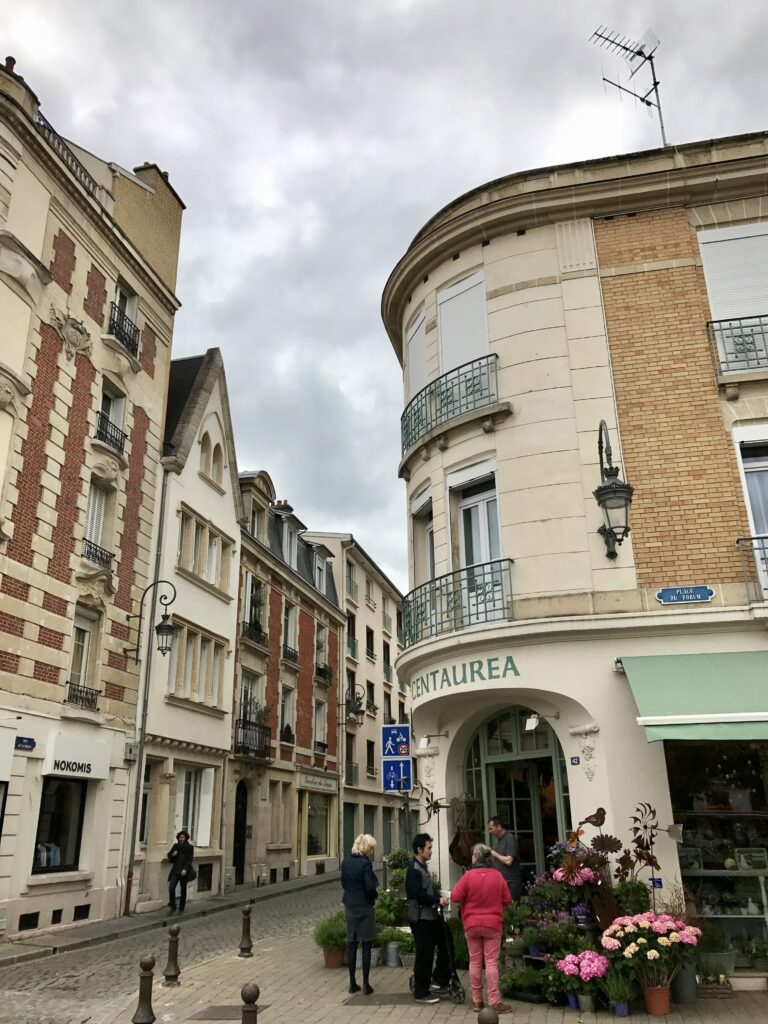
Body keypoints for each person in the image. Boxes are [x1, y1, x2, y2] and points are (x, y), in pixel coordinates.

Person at [451, 842, 512, 1013]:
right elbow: (507, 900)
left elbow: (455, 897)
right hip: (493, 926)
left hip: (471, 925)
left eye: (472, 855)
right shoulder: (498, 876)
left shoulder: (468, 876)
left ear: (476, 857)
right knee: (491, 962)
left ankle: (477, 1001)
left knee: (475, 961)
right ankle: (494, 1001)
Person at [405, 832, 451, 1005]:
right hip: (420, 918)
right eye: (429, 848)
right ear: (419, 849)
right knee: (425, 954)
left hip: (430, 915)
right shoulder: (414, 870)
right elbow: (416, 895)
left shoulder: (422, 866)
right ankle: (421, 991)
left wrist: (438, 896)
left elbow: (428, 892)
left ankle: (439, 979)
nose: (431, 851)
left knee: (447, 940)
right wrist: (436, 899)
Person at [340, 833, 379, 995]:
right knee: (367, 943)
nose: (371, 852)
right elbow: (370, 886)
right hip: (364, 906)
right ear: (365, 848)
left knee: (352, 943)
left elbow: (343, 883)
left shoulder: (346, 862)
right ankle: (366, 984)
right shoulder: (365, 864)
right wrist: (375, 896)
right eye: (371, 849)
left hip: (350, 905)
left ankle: (351, 983)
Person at [488, 815, 522, 903]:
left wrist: (495, 854)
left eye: (491, 828)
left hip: (510, 884)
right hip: (502, 883)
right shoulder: (499, 840)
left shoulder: (510, 839)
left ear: (499, 827)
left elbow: (509, 861)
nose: (490, 831)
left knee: (511, 913)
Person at [167, 829, 194, 913]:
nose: (181, 839)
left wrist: (185, 869)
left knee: (183, 890)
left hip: (183, 872)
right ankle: (173, 906)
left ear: (186, 838)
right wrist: (172, 854)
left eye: (183, 837)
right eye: (180, 837)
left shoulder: (189, 847)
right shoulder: (175, 846)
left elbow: (190, 859)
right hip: (175, 870)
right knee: (171, 888)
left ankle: (181, 908)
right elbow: (169, 855)